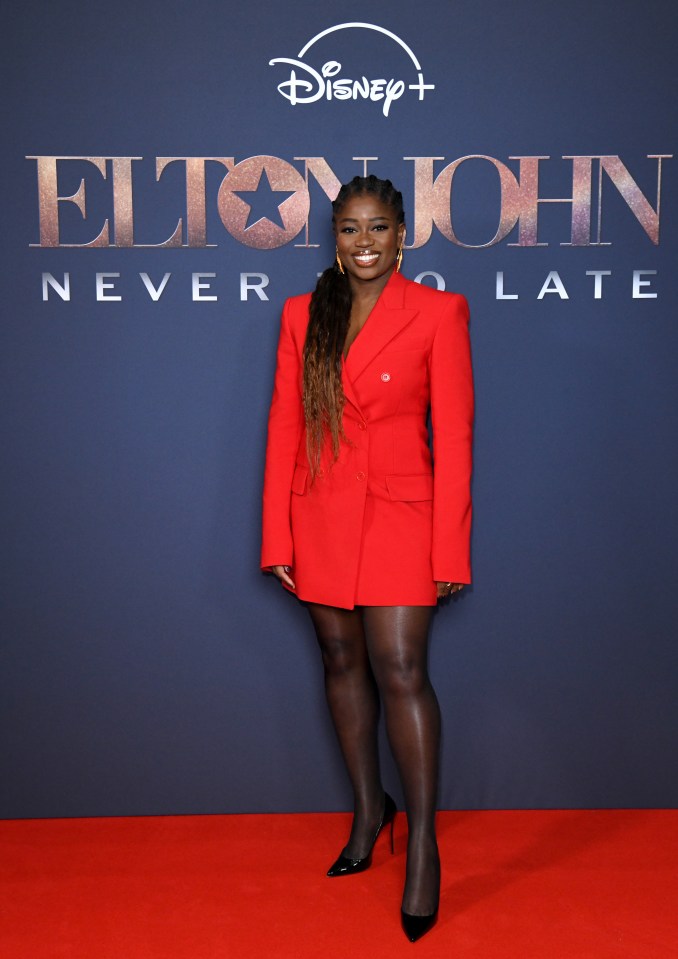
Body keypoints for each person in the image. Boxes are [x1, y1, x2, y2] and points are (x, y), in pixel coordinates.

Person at [260, 175, 474, 942]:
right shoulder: (301, 314)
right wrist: (276, 537)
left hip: (400, 515)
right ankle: (367, 810)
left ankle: (422, 844)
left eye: (377, 228)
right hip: (318, 511)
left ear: (403, 234)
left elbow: (454, 436)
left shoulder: (440, 312)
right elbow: (286, 424)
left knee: (402, 669)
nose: (363, 244)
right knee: (339, 660)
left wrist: (450, 546)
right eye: (349, 229)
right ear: (334, 237)